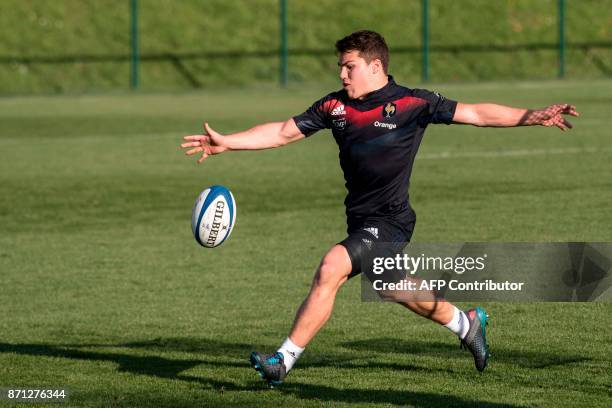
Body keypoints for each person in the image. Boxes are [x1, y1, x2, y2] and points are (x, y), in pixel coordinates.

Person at [181, 30, 579, 386]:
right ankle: (466, 322)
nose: (342, 75)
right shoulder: (335, 107)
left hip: (389, 220)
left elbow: (477, 113)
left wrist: (534, 117)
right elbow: (283, 132)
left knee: (330, 267)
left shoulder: (413, 103)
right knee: (392, 287)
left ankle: (282, 360)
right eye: (340, 67)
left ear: (375, 66)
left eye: (349, 67)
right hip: (361, 219)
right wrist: (228, 142)